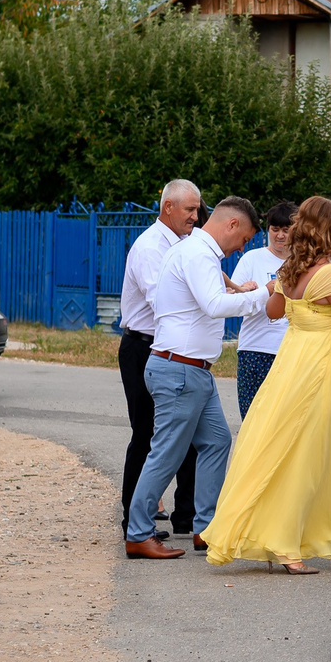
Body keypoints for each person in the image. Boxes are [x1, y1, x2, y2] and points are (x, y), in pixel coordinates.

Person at [202, 198, 331, 573]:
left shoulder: (291, 269)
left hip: (293, 365)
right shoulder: (329, 273)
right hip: (322, 372)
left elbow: (273, 311)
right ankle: (287, 545)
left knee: (317, 451)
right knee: (316, 454)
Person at [123, 196, 266, 557]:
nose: (243, 246)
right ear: (232, 225)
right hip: (180, 370)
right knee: (166, 455)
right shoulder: (198, 253)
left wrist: (240, 289)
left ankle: (206, 527)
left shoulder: (193, 250)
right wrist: (265, 294)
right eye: (245, 238)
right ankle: (138, 532)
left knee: (217, 441)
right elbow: (214, 305)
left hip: (193, 371)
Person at [120, 181, 203, 536]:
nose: (196, 217)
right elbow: (165, 304)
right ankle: (133, 520)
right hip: (144, 348)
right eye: (190, 210)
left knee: (189, 433)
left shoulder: (185, 244)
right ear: (168, 207)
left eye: (198, 210)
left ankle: (187, 516)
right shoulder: (151, 248)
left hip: (175, 350)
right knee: (147, 434)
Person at [230, 202, 296, 419]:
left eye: (286, 230)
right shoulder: (252, 258)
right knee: (252, 418)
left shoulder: (303, 262)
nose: (279, 235)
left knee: (284, 420)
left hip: (291, 352)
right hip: (255, 351)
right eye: (274, 229)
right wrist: (251, 292)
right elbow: (232, 298)